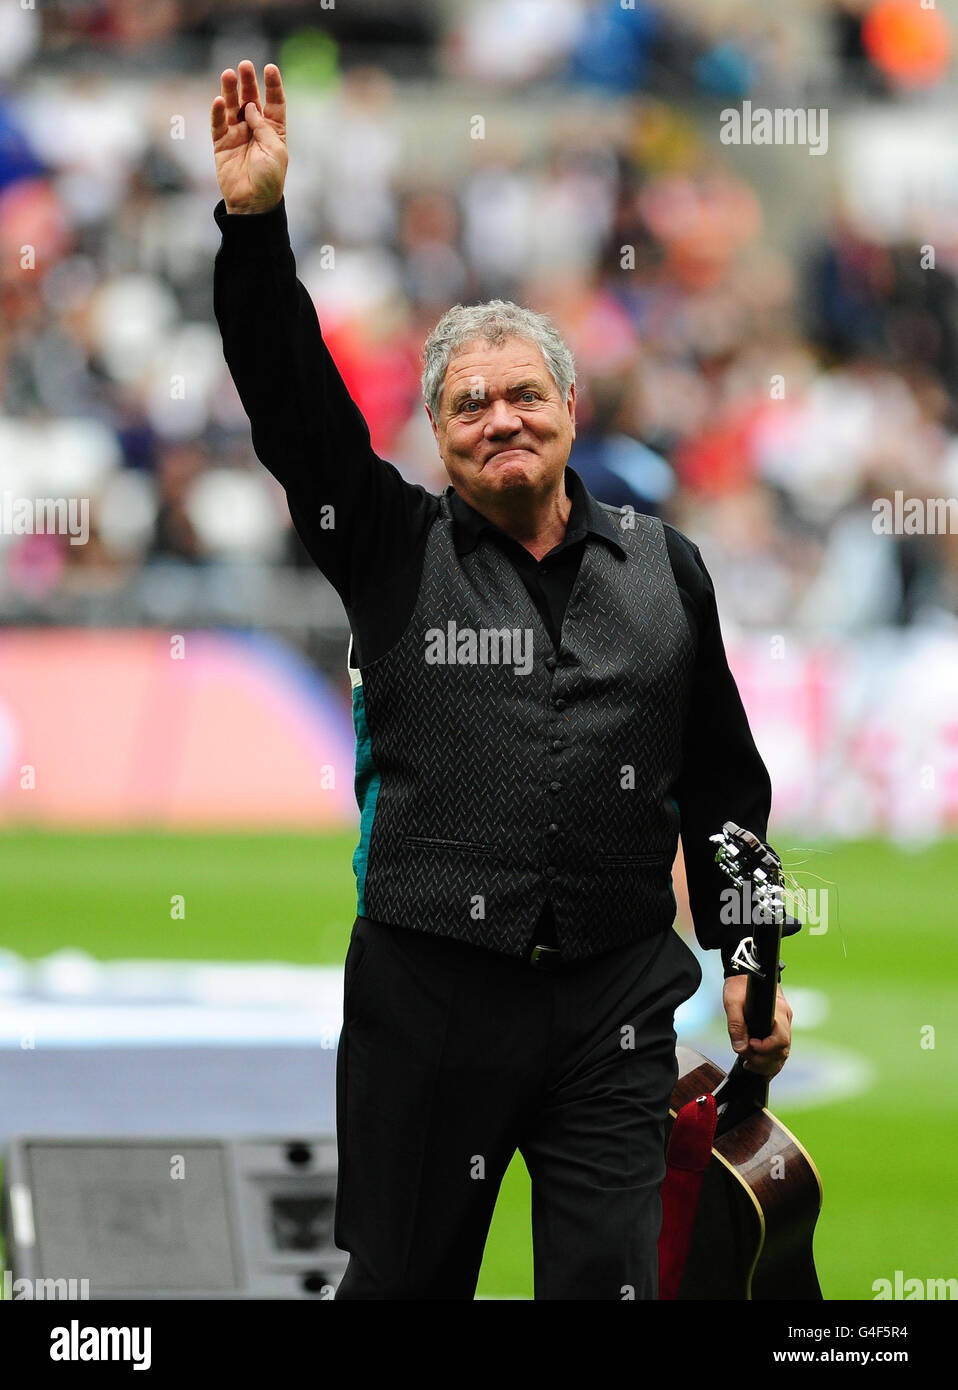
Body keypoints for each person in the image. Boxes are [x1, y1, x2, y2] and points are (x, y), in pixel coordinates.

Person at [210, 61, 793, 1300]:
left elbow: (726, 787)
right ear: (435, 437)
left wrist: (750, 951)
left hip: (616, 1004)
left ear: (571, 407)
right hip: (427, 999)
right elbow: (288, 402)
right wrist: (254, 225)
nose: (501, 418)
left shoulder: (664, 567)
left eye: (525, 393)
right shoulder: (385, 545)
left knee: (607, 1286)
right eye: (467, 405)